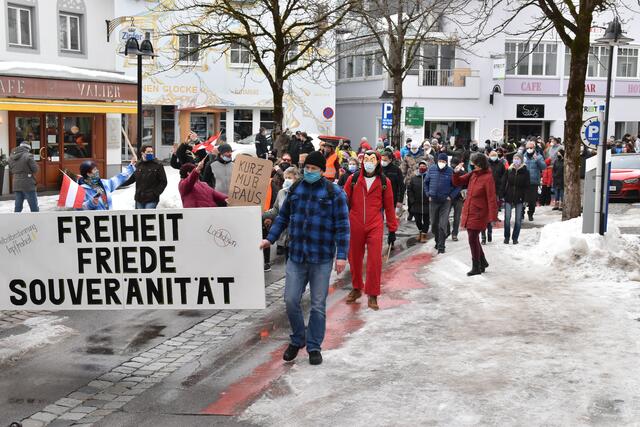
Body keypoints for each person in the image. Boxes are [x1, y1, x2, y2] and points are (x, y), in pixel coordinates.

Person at [260, 151, 350, 366]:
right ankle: (298, 337)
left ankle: (314, 346)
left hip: (321, 257)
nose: (309, 171)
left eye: (314, 169)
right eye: (307, 168)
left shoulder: (333, 192)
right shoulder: (295, 189)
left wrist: (342, 256)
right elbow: (282, 218)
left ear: (321, 171)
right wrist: (270, 240)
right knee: (291, 300)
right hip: (297, 254)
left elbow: (343, 227)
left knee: (318, 305)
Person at [344, 150, 398, 310]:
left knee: (375, 259)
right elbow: (343, 200)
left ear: (377, 162)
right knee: (354, 257)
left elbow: (389, 205)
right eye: (366, 159)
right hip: (355, 223)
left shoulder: (384, 181)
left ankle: (373, 293)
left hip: (375, 224)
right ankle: (356, 287)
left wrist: (392, 228)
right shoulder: (352, 179)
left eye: (372, 159)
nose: (368, 162)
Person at [453, 153, 497, 276]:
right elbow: (458, 182)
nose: (472, 166)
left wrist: (493, 216)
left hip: (479, 213)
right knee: (474, 238)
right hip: (469, 210)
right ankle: (482, 262)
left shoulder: (488, 178)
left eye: (474, 164)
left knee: (472, 238)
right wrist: (456, 172)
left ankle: (476, 266)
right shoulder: (473, 174)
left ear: (480, 165)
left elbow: (491, 198)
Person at [263, 167, 300, 262]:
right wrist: (262, 215)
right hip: (284, 237)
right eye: (286, 177)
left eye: (290, 178)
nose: (287, 180)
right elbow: (275, 210)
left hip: (296, 235)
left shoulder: (301, 193)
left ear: (296, 179)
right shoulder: (281, 193)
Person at [425, 153, 459, 254]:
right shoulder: (431, 169)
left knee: (442, 223)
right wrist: (428, 194)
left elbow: (457, 186)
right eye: (440, 161)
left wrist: (451, 196)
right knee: (434, 223)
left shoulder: (450, 171)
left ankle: (441, 246)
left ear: (446, 162)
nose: (442, 163)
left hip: (445, 201)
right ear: (437, 161)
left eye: (444, 162)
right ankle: (437, 240)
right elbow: (426, 183)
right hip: (433, 201)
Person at [126, 144, 167, 209]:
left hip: (152, 198)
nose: (150, 153)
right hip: (139, 198)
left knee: (147, 217)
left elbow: (163, 181)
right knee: (139, 218)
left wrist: (156, 193)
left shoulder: (158, 165)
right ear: (142, 153)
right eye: (148, 152)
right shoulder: (138, 164)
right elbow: (132, 179)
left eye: (151, 152)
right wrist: (118, 184)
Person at [502, 153, 529, 244]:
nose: (516, 160)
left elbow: (527, 186)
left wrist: (525, 199)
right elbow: (504, 183)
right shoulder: (509, 170)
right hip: (509, 196)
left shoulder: (525, 171)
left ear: (521, 160)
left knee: (518, 219)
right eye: (514, 158)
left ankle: (515, 238)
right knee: (507, 218)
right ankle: (506, 237)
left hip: (520, 197)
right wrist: (502, 195)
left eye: (517, 158)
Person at [482, 150, 506, 244]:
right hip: (485, 192)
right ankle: (483, 235)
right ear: (488, 155)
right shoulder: (485, 164)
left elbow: (504, 176)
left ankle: (490, 231)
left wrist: (501, 189)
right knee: (484, 213)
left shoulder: (501, 164)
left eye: (495, 155)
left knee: (491, 212)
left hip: (495, 191)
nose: (493, 156)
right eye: (492, 155)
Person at [9, 140, 39, 212]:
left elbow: (11, 169)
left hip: (16, 182)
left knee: (18, 206)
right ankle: (37, 220)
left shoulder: (11, 156)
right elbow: (35, 169)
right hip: (28, 183)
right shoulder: (28, 156)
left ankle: (16, 221)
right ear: (28, 148)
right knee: (33, 205)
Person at [522, 141, 547, 221]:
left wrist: (537, 160)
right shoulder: (523, 156)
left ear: (534, 148)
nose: (529, 149)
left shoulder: (538, 156)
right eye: (528, 148)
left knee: (532, 200)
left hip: (534, 182)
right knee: (522, 199)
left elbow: (543, 167)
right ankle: (521, 214)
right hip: (524, 181)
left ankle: (530, 213)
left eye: (531, 148)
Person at [406, 159, 430, 242]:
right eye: (420, 166)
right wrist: (412, 200)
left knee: (426, 220)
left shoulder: (429, 177)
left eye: (424, 166)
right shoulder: (414, 178)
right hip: (416, 203)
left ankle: (424, 234)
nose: (422, 167)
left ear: (427, 167)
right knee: (417, 220)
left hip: (427, 203)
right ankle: (420, 231)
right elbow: (409, 190)